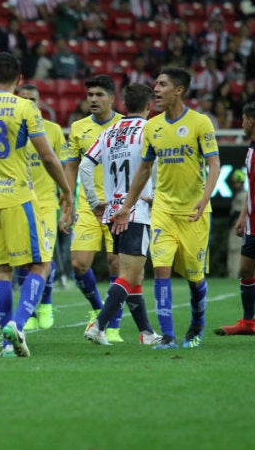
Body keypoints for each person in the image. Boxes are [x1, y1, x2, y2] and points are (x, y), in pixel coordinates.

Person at [0, 52, 73, 358]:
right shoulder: (24, 107)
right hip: (16, 197)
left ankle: (8, 344)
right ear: (19, 80)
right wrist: (67, 191)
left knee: (1, 270)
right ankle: (18, 325)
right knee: (41, 264)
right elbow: (47, 157)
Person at [111, 67, 221, 349]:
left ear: (179, 90)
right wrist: (127, 206)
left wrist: (205, 198)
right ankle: (169, 336)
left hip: (194, 213)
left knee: (195, 277)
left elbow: (213, 164)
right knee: (161, 270)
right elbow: (144, 169)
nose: (156, 90)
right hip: (162, 211)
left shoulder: (200, 123)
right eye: (155, 84)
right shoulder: (153, 126)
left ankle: (196, 325)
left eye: (162, 85)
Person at [80, 83, 163, 346]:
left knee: (134, 276)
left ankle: (147, 334)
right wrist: (156, 195)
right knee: (129, 274)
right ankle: (98, 325)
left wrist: (95, 203)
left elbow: (84, 166)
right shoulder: (150, 130)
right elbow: (156, 167)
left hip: (114, 210)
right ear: (149, 107)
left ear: (124, 105)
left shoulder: (109, 132)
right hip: (136, 210)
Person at [64, 75, 124, 342]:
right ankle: (100, 311)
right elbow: (71, 166)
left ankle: (113, 325)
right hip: (88, 206)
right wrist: (67, 203)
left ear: (112, 98)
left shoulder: (126, 125)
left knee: (116, 263)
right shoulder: (78, 128)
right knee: (78, 264)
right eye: (90, 95)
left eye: (99, 95)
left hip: (119, 207)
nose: (93, 99)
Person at [16, 84, 68, 331]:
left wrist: (67, 197)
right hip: (17, 201)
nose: (29, 103)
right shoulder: (9, 131)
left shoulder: (54, 131)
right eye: (24, 99)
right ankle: (30, 311)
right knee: (22, 258)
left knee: (44, 255)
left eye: (32, 99)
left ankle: (45, 304)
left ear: (39, 102)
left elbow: (63, 165)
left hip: (46, 203)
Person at [215, 101, 255, 336]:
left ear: (251, 121)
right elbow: (253, 188)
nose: (241, 124)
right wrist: (243, 216)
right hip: (254, 225)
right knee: (245, 270)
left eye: (243, 119)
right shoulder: (251, 150)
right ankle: (248, 323)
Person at [226, 169, 248, 279]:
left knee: (235, 253)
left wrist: (231, 224)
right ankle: (233, 276)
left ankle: (234, 276)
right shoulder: (240, 195)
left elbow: (238, 213)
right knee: (234, 252)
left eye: (237, 182)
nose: (235, 184)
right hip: (236, 228)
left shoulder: (243, 195)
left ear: (241, 182)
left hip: (238, 228)